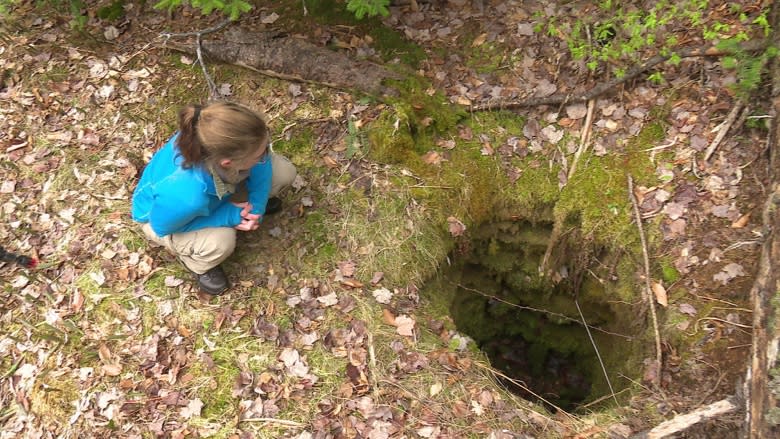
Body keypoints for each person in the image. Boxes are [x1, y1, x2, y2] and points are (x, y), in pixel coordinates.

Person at [131, 101, 297, 295]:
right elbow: (162, 227)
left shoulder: (221, 142)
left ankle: (238, 206)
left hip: (213, 191)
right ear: (228, 163)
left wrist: (257, 207)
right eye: (260, 154)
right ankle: (199, 264)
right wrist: (229, 216)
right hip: (160, 219)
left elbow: (262, 163)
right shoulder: (185, 195)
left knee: (283, 172)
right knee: (221, 241)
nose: (264, 156)